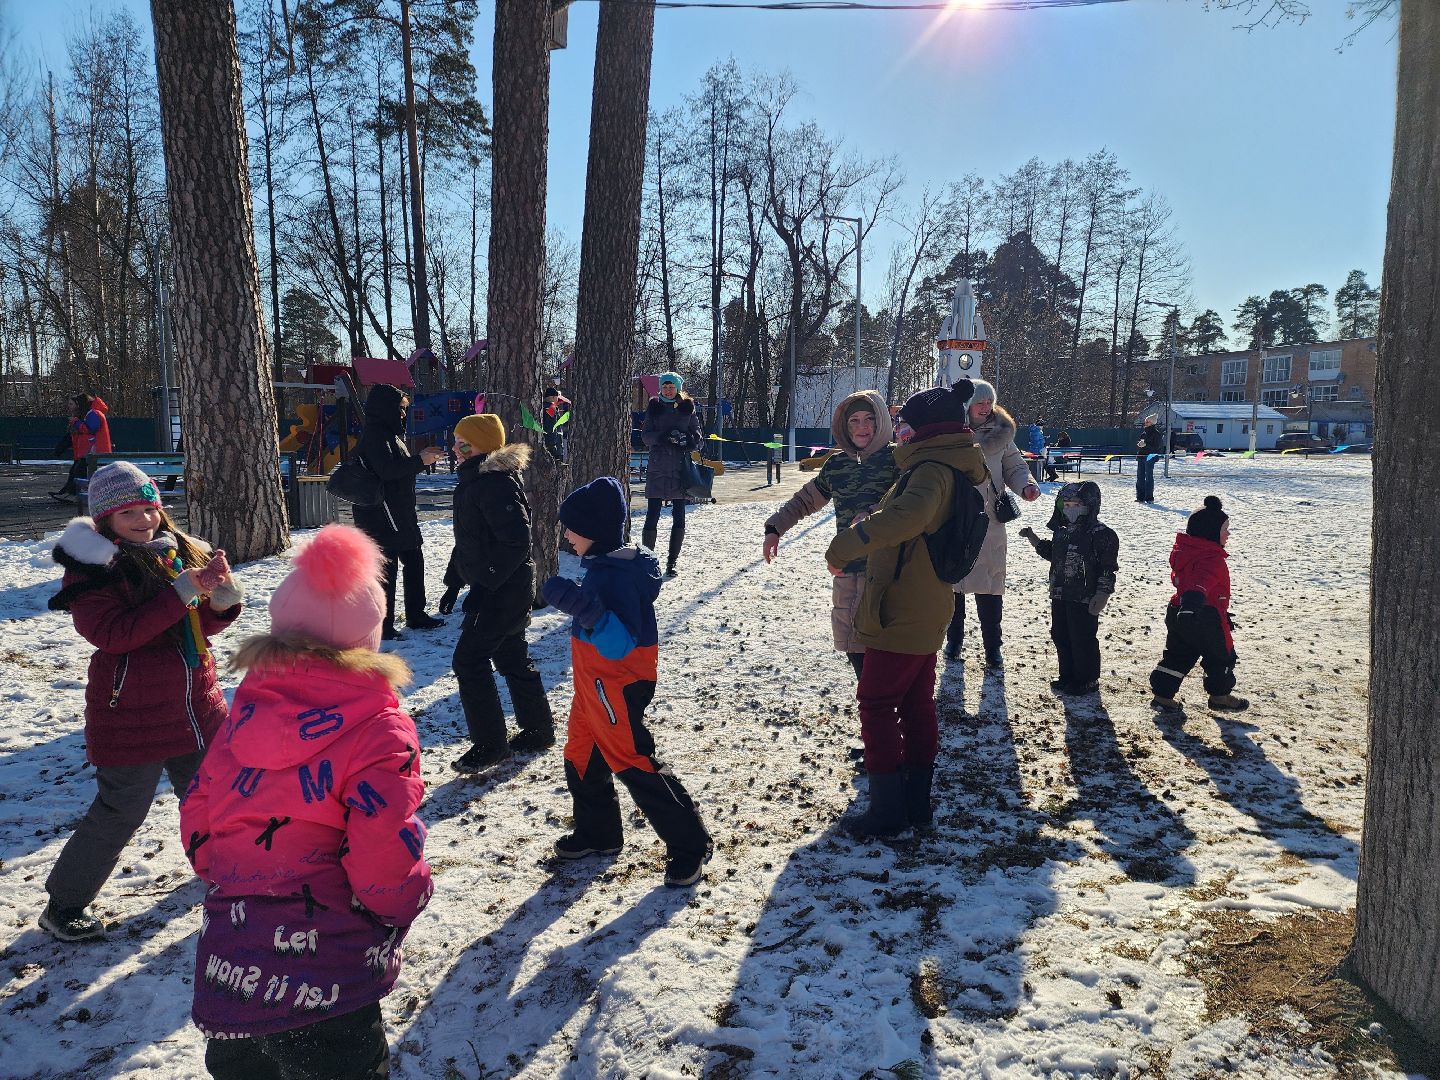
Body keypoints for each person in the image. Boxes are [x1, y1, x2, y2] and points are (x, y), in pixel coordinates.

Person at [182, 524, 432, 1080]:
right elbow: (383, 847)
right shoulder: (379, 726)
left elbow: (199, 806)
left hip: (233, 968)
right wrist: (402, 903)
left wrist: (231, 876)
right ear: (369, 638)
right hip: (327, 981)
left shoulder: (248, 708)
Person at [40, 462, 241, 941]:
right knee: (121, 810)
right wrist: (182, 592)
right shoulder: (94, 569)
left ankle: (226, 871)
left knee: (214, 797)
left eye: (149, 508)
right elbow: (114, 635)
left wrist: (220, 601)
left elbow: (195, 627)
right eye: (127, 513)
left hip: (196, 705)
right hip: (131, 714)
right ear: (105, 519)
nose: (143, 520)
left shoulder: (176, 551)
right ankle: (64, 904)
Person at [824, 382, 988, 838]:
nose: (899, 432)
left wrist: (846, 545)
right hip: (923, 601)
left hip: (903, 606)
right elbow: (910, 516)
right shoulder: (938, 464)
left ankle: (887, 812)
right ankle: (915, 804)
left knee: (877, 703)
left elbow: (908, 518)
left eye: (905, 426)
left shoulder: (931, 469)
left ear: (926, 430)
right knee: (915, 704)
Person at [542, 478, 713, 887]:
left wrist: (580, 605)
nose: (566, 535)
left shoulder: (615, 577)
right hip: (593, 685)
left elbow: (618, 642)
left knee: (632, 759)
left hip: (614, 686)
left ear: (595, 532)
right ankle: (598, 833)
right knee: (581, 755)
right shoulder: (607, 566)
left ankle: (690, 845)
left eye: (572, 528)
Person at [439, 413, 555, 771]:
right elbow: (469, 541)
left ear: (482, 447)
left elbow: (516, 543)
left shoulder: (494, 484)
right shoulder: (474, 481)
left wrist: (484, 586)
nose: (455, 449)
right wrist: (454, 582)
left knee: (469, 660)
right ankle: (538, 729)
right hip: (497, 587)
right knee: (511, 656)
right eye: (455, 442)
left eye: (464, 444)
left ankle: (490, 744)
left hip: (505, 590)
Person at [764, 391, 898, 680]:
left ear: (881, 423)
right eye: (854, 421)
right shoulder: (836, 465)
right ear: (845, 427)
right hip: (848, 569)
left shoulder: (897, 460)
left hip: (889, 572)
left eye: (869, 419)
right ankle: (870, 700)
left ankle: (884, 702)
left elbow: (907, 504)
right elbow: (804, 501)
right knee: (852, 641)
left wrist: (872, 515)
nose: (862, 427)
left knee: (887, 650)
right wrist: (775, 528)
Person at [945, 380, 1041, 668]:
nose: (986, 407)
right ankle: (953, 641)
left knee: (991, 583)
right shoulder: (950, 431)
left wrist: (1026, 486)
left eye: (989, 402)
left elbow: (1015, 466)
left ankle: (993, 648)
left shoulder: (1002, 432)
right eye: (980, 402)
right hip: (955, 517)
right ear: (967, 405)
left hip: (990, 520)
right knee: (952, 583)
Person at [352, 384, 445, 639]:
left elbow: (398, 468)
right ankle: (383, 624)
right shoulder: (375, 436)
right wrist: (420, 460)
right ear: (387, 409)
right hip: (381, 515)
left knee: (414, 559)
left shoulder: (390, 434)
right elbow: (387, 471)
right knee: (387, 570)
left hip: (399, 512)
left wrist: (421, 459)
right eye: (400, 409)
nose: (404, 414)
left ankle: (416, 614)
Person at [1149, 496, 1249, 712]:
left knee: (1178, 655)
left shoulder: (1187, 552)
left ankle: (1162, 696)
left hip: (1178, 610)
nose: (1228, 534)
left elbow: (1185, 581)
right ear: (1211, 532)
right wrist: (1192, 605)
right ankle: (1220, 696)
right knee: (1221, 656)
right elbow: (1199, 584)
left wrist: (1187, 607)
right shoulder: (1211, 558)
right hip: (1203, 615)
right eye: (1225, 529)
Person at [1019, 481, 1119, 695]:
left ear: (1090, 506)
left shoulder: (1101, 534)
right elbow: (1053, 554)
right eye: (1066, 505)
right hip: (1060, 593)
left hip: (1084, 597)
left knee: (1082, 637)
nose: (1070, 509)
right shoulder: (1062, 531)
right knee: (1060, 634)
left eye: (1076, 505)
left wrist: (1102, 593)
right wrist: (1033, 539)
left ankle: (1087, 679)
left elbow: (1107, 568)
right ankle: (1067, 675)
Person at [640, 371, 702, 577]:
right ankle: (647, 562)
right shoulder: (654, 407)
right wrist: (664, 437)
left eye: (671, 387)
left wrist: (687, 440)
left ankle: (672, 562)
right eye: (665, 387)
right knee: (652, 516)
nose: (668, 390)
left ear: (678, 388)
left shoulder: (688, 409)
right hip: (657, 468)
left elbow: (698, 438)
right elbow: (645, 437)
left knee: (679, 517)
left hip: (680, 469)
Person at [51, 392, 113, 500]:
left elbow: (91, 429)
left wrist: (76, 422)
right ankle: (74, 493)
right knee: (79, 471)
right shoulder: (92, 413)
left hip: (95, 451)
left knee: (80, 471)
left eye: (73, 404)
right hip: (92, 451)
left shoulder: (93, 413)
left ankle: (77, 494)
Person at [1136, 416, 1164, 503]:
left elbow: (1157, 447)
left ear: (1152, 423)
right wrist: (1139, 444)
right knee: (1140, 477)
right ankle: (1140, 497)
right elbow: (1140, 442)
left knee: (1148, 477)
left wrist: (1146, 445)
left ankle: (1149, 497)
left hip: (1150, 457)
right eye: (1145, 421)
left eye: (1147, 422)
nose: (1145, 423)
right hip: (1141, 456)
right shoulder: (1144, 433)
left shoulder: (1156, 434)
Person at [542, 385, 572, 461]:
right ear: (552, 397)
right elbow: (551, 426)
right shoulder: (551, 408)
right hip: (553, 444)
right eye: (557, 397)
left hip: (549, 442)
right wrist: (552, 445)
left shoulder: (542, 407)